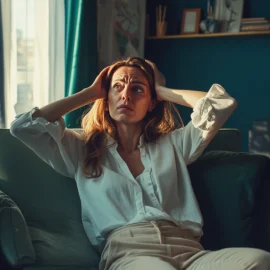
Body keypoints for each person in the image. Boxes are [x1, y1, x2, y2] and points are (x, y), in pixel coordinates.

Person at [10, 57, 270, 270]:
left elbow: (221, 104)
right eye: (117, 88)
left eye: (137, 89)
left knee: (259, 261)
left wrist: (162, 90)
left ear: (151, 103)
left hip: (191, 253)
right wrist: (90, 92)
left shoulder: (174, 145)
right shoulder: (82, 148)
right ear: (106, 97)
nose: (126, 96)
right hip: (130, 254)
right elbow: (23, 127)